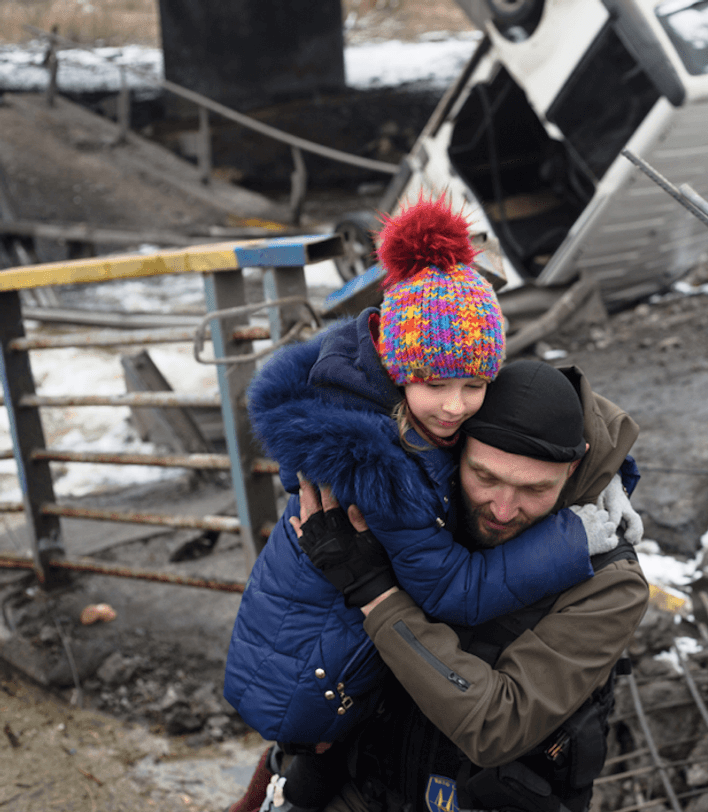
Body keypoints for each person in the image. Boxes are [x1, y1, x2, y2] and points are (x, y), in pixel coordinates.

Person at [223, 200, 623, 812]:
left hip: (322, 665)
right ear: (397, 368)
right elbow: (451, 591)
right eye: (436, 384)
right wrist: (574, 535)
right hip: (308, 679)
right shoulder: (382, 466)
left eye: (474, 385)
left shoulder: (411, 424)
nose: (457, 407)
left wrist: (614, 479)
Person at [288, 359, 650, 812]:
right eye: (485, 477)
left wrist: (375, 596)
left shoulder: (611, 584)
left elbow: (497, 725)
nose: (501, 509)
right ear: (456, 447)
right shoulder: (423, 503)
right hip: (362, 787)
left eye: (533, 489)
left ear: (573, 467)